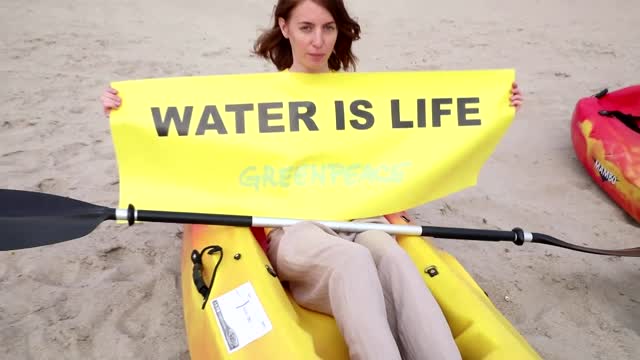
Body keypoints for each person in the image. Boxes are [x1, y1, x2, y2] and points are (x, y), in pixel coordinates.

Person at [101, 1, 523, 359]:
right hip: (295, 230)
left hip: (360, 219)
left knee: (392, 257)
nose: (318, 41)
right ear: (285, 29)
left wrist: (496, 106)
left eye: (327, 28)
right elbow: (194, 143)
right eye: (306, 28)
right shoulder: (254, 100)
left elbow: (420, 138)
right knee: (353, 261)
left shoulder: (360, 97)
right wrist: (127, 112)